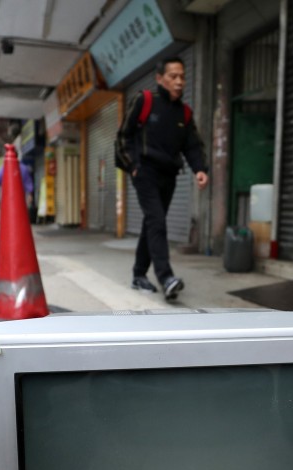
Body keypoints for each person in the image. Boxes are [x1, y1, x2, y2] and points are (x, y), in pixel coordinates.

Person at [115, 57, 208, 301]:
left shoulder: (184, 114)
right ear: (160, 79)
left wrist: (200, 168)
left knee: (151, 223)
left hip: (169, 175)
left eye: (182, 77)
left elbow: (193, 146)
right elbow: (124, 135)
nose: (179, 82)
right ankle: (166, 277)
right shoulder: (145, 100)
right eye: (173, 76)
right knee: (157, 220)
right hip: (144, 171)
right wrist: (133, 166)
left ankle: (138, 275)